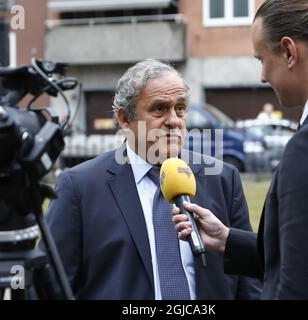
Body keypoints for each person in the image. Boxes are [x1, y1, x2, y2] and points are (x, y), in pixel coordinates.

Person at [173, 0, 308, 299]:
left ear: (289, 52)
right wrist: (227, 240)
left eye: (261, 59)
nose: (262, 76)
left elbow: (306, 286)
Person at [41, 59, 261, 299]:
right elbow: (49, 287)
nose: (174, 121)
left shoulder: (223, 179)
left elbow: (249, 286)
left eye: (180, 108)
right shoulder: (79, 188)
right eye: (159, 109)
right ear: (125, 119)